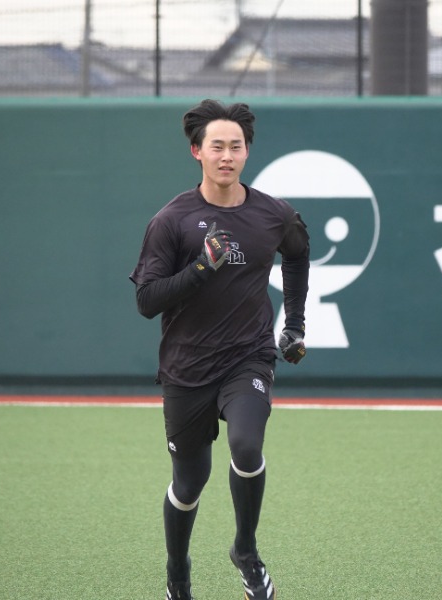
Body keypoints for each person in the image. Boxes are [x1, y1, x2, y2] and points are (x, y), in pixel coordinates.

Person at [130, 99, 310, 600]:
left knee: (247, 446)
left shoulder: (274, 214)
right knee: (190, 483)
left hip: (247, 357)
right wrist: (200, 269)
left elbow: (298, 255)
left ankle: (246, 551)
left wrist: (294, 325)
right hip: (186, 368)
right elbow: (146, 301)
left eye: (236, 146)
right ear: (197, 152)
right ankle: (178, 573)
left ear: (247, 151)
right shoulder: (171, 220)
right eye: (217, 147)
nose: (227, 155)